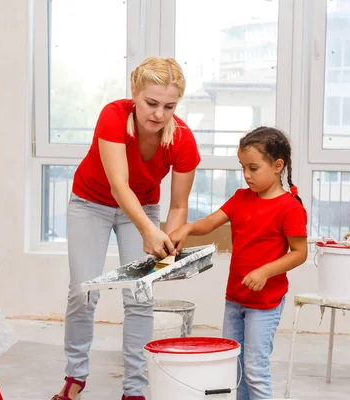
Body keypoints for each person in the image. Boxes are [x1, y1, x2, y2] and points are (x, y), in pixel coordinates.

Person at [53, 57, 200, 400]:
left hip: (144, 208)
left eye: (169, 106)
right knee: (82, 291)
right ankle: (75, 376)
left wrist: (169, 244)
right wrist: (149, 231)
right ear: (134, 92)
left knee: (140, 295)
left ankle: (135, 388)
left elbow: (178, 206)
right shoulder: (113, 116)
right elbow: (119, 185)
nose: (159, 114)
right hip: (91, 203)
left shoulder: (183, 141)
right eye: (151, 103)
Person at [169, 126, 308, 400]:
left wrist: (265, 271)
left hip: (264, 304)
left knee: (255, 370)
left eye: (253, 168)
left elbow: (299, 252)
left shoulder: (290, 208)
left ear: (277, 166)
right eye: (243, 167)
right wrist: (185, 229)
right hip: (235, 299)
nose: (246, 175)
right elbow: (210, 222)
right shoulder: (240, 198)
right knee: (234, 368)